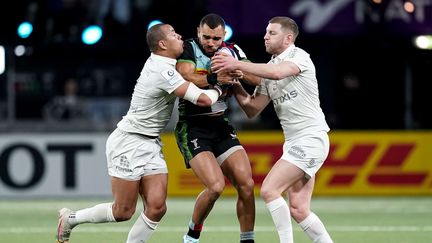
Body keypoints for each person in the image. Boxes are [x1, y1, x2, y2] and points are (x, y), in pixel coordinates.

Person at [55, 23, 225, 243]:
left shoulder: (167, 65)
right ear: (163, 44)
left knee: (157, 207)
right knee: (122, 211)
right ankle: (70, 218)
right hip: (129, 141)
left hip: (151, 142)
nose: (180, 35)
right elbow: (203, 99)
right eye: (174, 34)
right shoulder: (162, 70)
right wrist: (221, 85)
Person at [211, 16, 334, 243]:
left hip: (310, 138)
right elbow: (252, 108)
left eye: (272, 33)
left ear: (288, 38)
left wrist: (235, 64)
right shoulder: (269, 67)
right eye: (266, 32)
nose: (265, 36)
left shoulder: (299, 57)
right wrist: (235, 81)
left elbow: (278, 73)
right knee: (298, 209)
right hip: (294, 142)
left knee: (269, 190)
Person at [175, 13, 258, 243]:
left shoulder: (232, 50)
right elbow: (185, 75)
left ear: (224, 36)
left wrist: (237, 69)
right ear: (198, 32)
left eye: (216, 38)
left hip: (219, 124)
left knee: (247, 184)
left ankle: (247, 239)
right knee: (215, 186)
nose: (211, 43)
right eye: (207, 37)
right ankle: (191, 236)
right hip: (192, 127)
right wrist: (216, 76)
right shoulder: (188, 47)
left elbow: (256, 78)